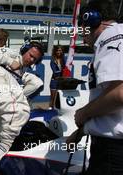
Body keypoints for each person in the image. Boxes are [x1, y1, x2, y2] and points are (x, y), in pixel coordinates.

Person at [66, 0, 123, 174]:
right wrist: (81, 131)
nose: (82, 37)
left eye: (82, 28)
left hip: (114, 153)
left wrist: (83, 114)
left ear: (90, 19)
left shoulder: (111, 37)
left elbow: (119, 94)